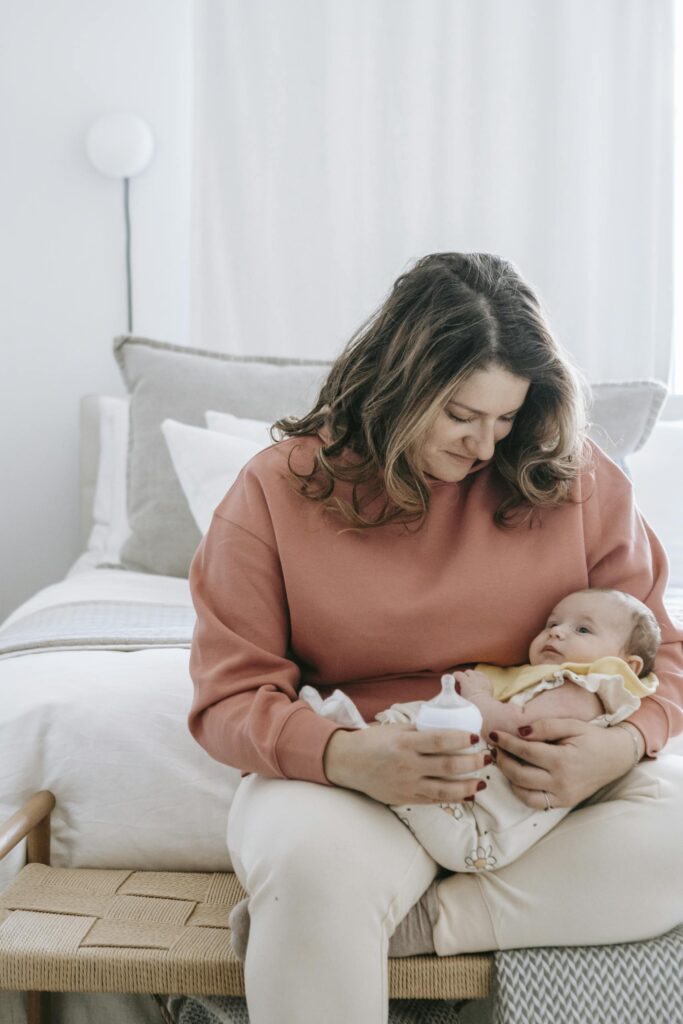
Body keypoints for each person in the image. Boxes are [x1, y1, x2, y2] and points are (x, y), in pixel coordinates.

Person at [188, 252, 683, 1024]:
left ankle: (414, 927)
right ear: (398, 382)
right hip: (355, 775)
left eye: (506, 419)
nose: (484, 448)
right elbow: (228, 698)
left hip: (536, 794)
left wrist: (620, 748)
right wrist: (345, 756)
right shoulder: (276, 488)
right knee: (312, 872)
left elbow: (664, 654)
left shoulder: (573, 479)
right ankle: (337, 910)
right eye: (459, 415)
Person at [226, 586, 661, 956]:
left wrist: (484, 702)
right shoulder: (539, 677)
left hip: (488, 817)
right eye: (552, 623)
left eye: (581, 630)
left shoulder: (589, 687)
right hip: (428, 773)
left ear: (627, 664)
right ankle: (321, 914)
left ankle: (399, 924)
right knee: (324, 856)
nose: (557, 632)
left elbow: (522, 731)